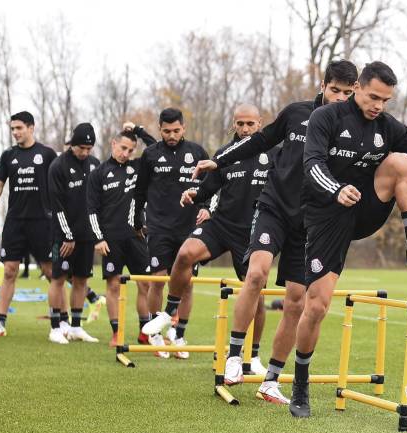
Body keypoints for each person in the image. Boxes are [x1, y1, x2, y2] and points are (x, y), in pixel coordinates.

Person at [290, 61, 407, 417]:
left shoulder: (387, 127)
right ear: (357, 87)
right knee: (317, 306)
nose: (378, 105)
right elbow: (311, 164)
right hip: (328, 215)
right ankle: (300, 385)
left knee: (402, 161)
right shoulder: (326, 118)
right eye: (373, 96)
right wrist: (336, 189)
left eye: (385, 100)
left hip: (366, 207)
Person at [192, 60, 359, 405]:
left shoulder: (354, 129)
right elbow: (260, 140)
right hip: (275, 209)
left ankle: (271, 380)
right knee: (256, 274)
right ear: (323, 85)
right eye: (335, 90)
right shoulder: (297, 113)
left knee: (296, 301)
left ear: (355, 91)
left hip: (311, 223)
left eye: (347, 92)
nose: (341, 97)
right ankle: (235, 355)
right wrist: (218, 161)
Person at [145, 104, 275, 365]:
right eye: (240, 124)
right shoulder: (224, 154)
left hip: (251, 232)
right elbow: (208, 189)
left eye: (250, 124)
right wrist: (193, 194)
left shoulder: (274, 153)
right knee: (185, 254)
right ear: (233, 125)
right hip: (221, 224)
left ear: (260, 123)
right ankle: (168, 313)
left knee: (257, 297)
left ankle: (254, 357)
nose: (245, 129)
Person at [135, 108, 210, 358]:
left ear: (184, 128)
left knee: (187, 283)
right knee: (158, 278)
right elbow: (139, 192)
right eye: (166, 131)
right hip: (159, 227)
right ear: (159, 129)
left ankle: (178, 334)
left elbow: (211, 186)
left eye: (176, 130)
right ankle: (156, 334)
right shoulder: (150, 154)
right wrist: (138, 221)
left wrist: (208, 209)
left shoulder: (197, 152)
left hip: (190, 229)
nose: (171, 135)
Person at [0, 111, 57, 337]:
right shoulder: (8, 156)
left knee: (50, 272)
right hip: (15, 222)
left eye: (19, 128)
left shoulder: (47, 154)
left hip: (42, 222)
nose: (15, 132)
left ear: (31, 127)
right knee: (9, 271)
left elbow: (59, 185)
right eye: (12, 129)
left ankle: (58, 325)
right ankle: (0, 323)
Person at [87, 124, 156, 346]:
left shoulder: (138, 167)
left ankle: (145, 332)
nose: (125, 153)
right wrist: (98, 238)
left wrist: (139, 130)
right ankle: (117, 332)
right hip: (111, 240)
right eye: (122, 148)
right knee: (114, 286)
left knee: (145, 285)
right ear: (113, 144)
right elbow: (91, 210)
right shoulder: (98, 173)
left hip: (137, 237)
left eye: (130, 150)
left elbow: (157, 149)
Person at [46, 122, 100, 344]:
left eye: (89, 149)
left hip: (87, 236)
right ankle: (55, 327)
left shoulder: (95, 165)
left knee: (81, 280)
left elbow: (98, 202)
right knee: (58, 279)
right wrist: (68, 236)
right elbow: (57, 206)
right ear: (72, 145)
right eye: (81, 148)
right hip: (64, 237)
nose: (85, 153)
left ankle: (76, 327)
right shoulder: (58, 166)